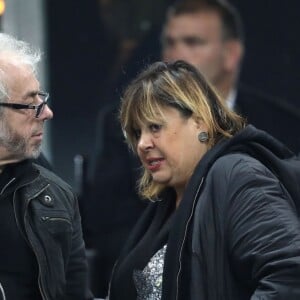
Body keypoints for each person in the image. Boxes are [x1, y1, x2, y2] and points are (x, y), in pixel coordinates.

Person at [108, 60, 300, 299]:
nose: (142, 144)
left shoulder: (236, 175)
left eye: (155, 127)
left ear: (199, 122)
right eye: (137, 132)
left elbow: (290, 273)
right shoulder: (168, 199)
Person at [0, 33, 93, 299]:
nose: (47, 113)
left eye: (42, 100)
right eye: (31, 104)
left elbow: (76, 293)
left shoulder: (55, 196)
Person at [161, 0, 300, 153]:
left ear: (231, 54)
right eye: (170, 43)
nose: (175, 56)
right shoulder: (140, 125)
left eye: (193, 42)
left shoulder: (283, 129)